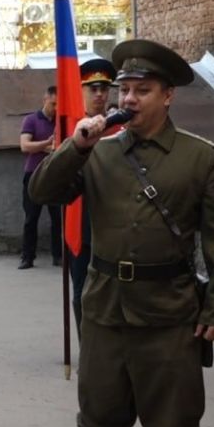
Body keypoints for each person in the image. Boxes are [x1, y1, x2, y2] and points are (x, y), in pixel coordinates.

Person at [28, 40, 214, 427]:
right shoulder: (98, 150)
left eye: (142, 90)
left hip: (169, 313)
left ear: (167, 96)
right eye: (124, 89)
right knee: (98, 421)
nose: (129, 98)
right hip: (104, 310)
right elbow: (41, 192)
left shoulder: (200, 157)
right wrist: (74, 145)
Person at [66, 58, 122, 336]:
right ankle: (87, 346)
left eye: (104, 87)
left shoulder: (120, 129)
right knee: (82, 289)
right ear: (81, 91)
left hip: (114, 218)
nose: (100, 93)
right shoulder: (71, 130)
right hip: (81, 218)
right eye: (93, 88)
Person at [18, 85, 62, 269]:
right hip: (33, 174)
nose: (56, 108)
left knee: (58, 219)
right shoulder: (31, 120)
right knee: (31, 218)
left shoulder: (62, 121)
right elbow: (25, 146)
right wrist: (47, 143)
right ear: (45, 99)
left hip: (55, 175)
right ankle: (27, 257)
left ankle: (58, 256)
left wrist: (45, 147)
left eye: (59, 105)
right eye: (53, 104)